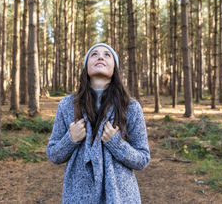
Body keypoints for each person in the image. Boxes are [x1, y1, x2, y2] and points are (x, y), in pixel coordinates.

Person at [46, 43, 150, 204]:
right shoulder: (67, 105)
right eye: (94, 54)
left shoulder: (130, 107)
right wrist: (70, 139)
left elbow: (143, 159)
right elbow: (53, 154)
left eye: (107, 55)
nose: (100, 56)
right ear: (86, 67)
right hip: (77, 196)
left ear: (114, 68)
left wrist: (116, 144)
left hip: (120, 197)